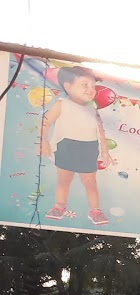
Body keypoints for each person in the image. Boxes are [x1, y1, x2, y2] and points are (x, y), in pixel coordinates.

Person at [38, 66, 110, 225]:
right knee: (64, 179)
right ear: (68, 86)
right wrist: (43, 141)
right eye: (85, 85)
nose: (90, 90)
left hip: (88, 148)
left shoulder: (92, 110)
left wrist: (105, 152)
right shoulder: (62, 104)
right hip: (66, 146)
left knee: (90, 181)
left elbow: (100, 131)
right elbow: (45, 122)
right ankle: (59, 206)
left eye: (93, 86)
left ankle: (95, 211)